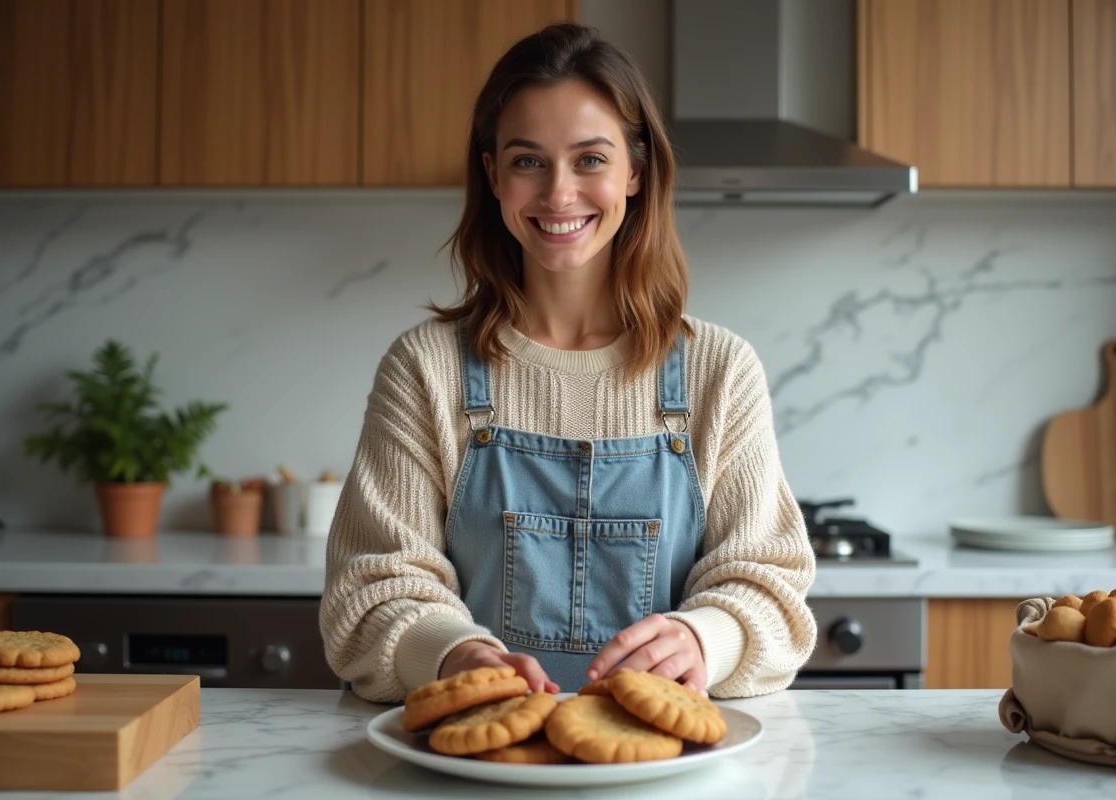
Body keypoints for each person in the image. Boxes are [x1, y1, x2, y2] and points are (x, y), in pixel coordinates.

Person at [319, 22, 816, 702]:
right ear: (493, 175)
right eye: (528, 161)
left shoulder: (718, 371)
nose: (558, 194)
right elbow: (372, 589)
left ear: (636, 172)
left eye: (590, 160)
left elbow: (769, 582)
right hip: (472, 762)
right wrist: (452, 653)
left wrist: (706, 636)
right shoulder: (424, 369)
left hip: (658, 764)